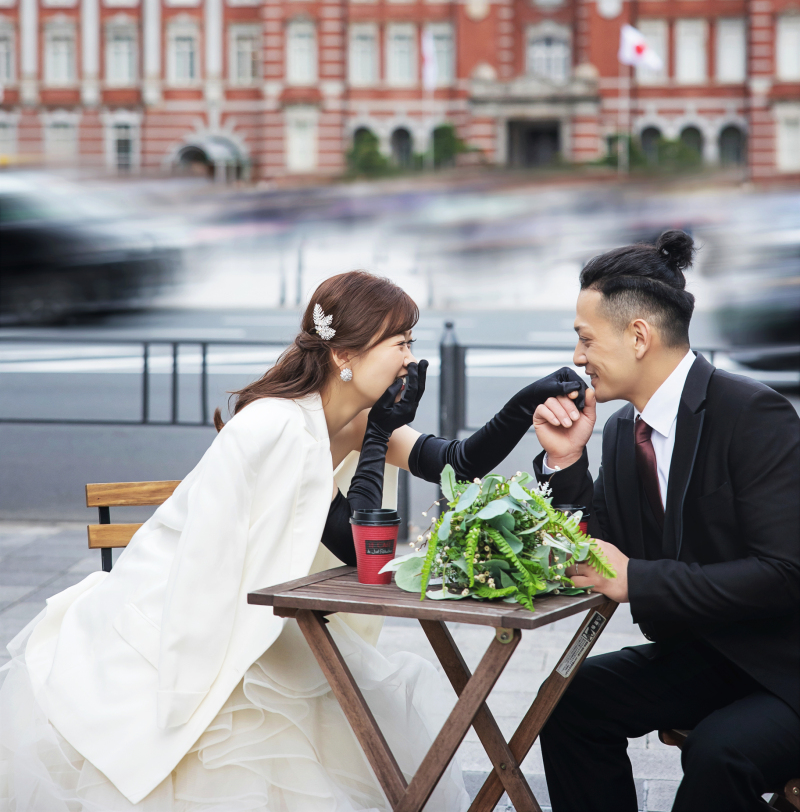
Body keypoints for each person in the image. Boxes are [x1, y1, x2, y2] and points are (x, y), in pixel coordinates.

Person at [0, 270, 585, 812]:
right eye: (399, 343)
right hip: (200, 614)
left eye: (411, 342)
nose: (411, 359)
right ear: (344, 355)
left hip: (272, 603)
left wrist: (524, 403)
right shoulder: (280, 426)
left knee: (344, 696)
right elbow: (360, 546)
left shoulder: (353, 415)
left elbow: (455, 461)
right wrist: (378, 434)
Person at [531, 230, 800, 812]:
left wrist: (639, 579)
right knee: (566, 700)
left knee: (718, 753)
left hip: (786, 666)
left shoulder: (754, 413)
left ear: (638, 336)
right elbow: (596, 549)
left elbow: (785, 573)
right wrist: (566, 462)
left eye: (585, 339)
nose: (577, 357)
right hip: (707, 657)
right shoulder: (620, 434)